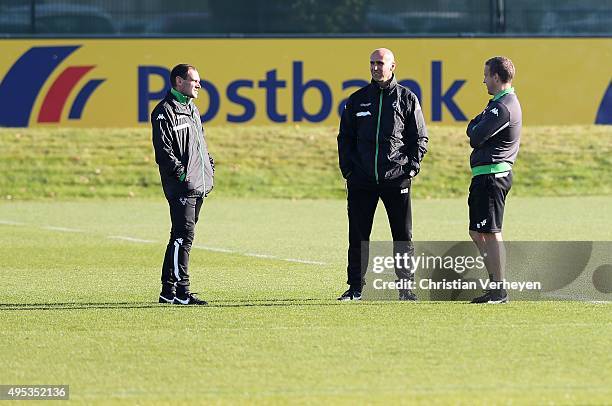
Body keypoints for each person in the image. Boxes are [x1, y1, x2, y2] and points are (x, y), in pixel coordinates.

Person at [337, 48, 428, 301]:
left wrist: (410, 167)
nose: (376, 67)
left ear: (393, 66)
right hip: (361, 181)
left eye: (381, 63)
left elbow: (420, 137)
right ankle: (355, 288)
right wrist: (349, 171)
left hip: (396, 178)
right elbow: (344, 138)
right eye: (372, 63)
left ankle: (405, 288)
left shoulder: (407, 98)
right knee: (358, 235)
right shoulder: (356, 100)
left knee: (402, 235)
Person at [151, 64, 215, 305]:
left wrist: (209, 166)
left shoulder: (192, 109)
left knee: (180, 235)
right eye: (194, 80)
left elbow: (200, 144)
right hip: (182, 186)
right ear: (179, 82)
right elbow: (163, 151)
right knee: (183, 236)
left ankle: (168, 291)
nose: (199, 85)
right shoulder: (164, 111)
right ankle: (182, 290)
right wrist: (182, 174)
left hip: (198, 183)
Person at [466, 56, 522, 304]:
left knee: (490, 232)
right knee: (477, 232)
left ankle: (500, 290)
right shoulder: (496, 104)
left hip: (492, 175)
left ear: (497, 77)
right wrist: (475, 126)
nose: (484, 79)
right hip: (483, 176)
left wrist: (475, 127)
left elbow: (476, 136)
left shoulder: (503, 107)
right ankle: (494, 284)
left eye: (486, 75)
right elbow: (475, 128)